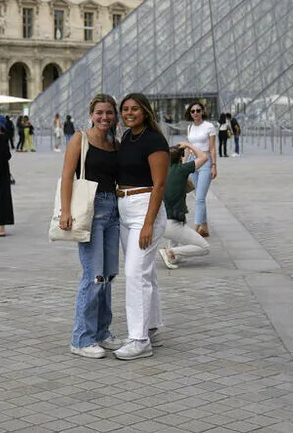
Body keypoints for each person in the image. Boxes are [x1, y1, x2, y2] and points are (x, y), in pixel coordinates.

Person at [60, 94, 123, 359]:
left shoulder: (115, 144)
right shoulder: (80, 139)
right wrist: (65, 211)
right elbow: (66, 176)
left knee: (108, 276)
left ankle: (101, 332)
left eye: (109, 112)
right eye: (99, 112)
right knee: (93, 276)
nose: (104, 117)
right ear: (91, 114)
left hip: (113, 211)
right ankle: (81, 338)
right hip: (90, 209)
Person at [114, 93, 169, 361]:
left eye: (135, 109)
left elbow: (159, 184)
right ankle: (151, 325)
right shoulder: (127, 137)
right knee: (145, 273)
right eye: (125, 109)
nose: (129, 113)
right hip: (126, 208)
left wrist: (148, 223)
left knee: (135, 274)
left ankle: (139, 339)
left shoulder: (154, 140)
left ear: (145, 111)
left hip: (145, 209)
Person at [158, 142, 211, 270]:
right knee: (204, 248)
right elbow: (204, 157)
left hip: (161, 220)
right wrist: (189, 145)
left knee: (175, 240)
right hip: (172, 223)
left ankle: (172, 255)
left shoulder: (160, 170)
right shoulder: (181, 170)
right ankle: (170, 252)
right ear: (180, 159)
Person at [185, 101, 217, 237]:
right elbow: (188, 146)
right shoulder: (189, 127)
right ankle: (204, 228)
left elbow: (212, 148)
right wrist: (184, 164)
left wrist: (214, 165)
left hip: (205, 161)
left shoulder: (209, 127)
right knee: (198, 196)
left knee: (200, 198)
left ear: (203, 111)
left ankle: (195, 228)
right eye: (193, 111)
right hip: (193, 161)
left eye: (198, 110)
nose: (196, 113)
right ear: (190, 113)